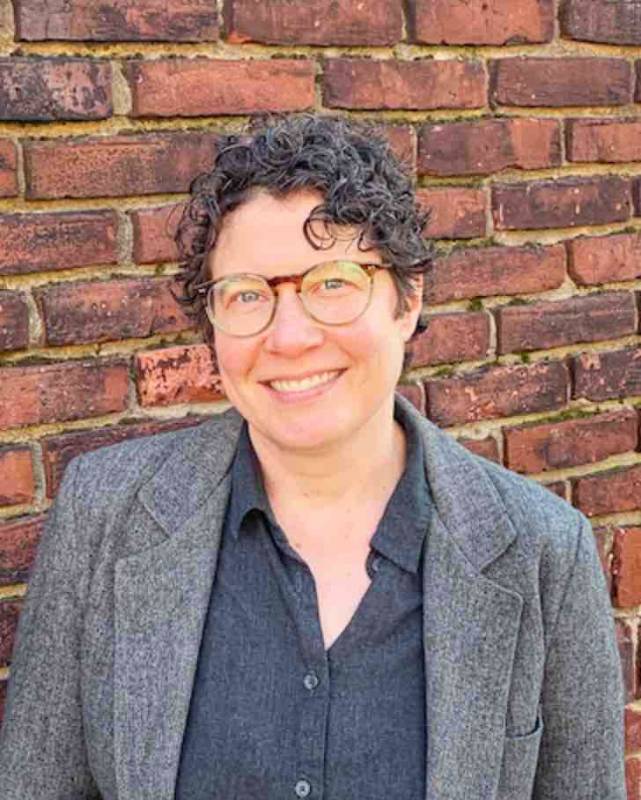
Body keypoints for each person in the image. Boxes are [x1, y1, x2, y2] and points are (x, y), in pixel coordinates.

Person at [0, 113, 625, 800]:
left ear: (406, 299)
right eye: (247, 294)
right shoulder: (104, 514)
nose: (289, 337)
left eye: (332, 283)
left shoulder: (544, 553)